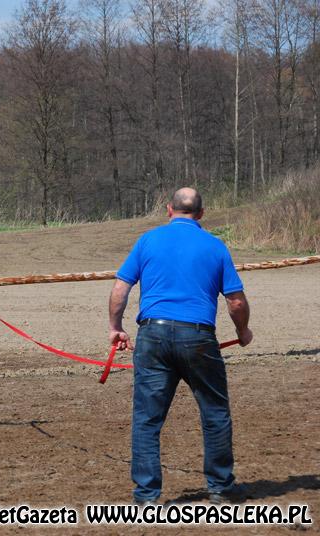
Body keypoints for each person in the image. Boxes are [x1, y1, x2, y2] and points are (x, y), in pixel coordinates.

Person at [108, 187, 254, 505]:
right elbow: (236, 301)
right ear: (201, 214)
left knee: (147, 418)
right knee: (214, 413)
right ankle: (220, 487)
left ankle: (147, 495)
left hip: (152, 335)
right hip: (198, 337)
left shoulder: (148, 240)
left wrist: (116, 328)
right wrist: (243, 331)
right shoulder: (215, 246)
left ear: (169, 210)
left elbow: (121, 288)